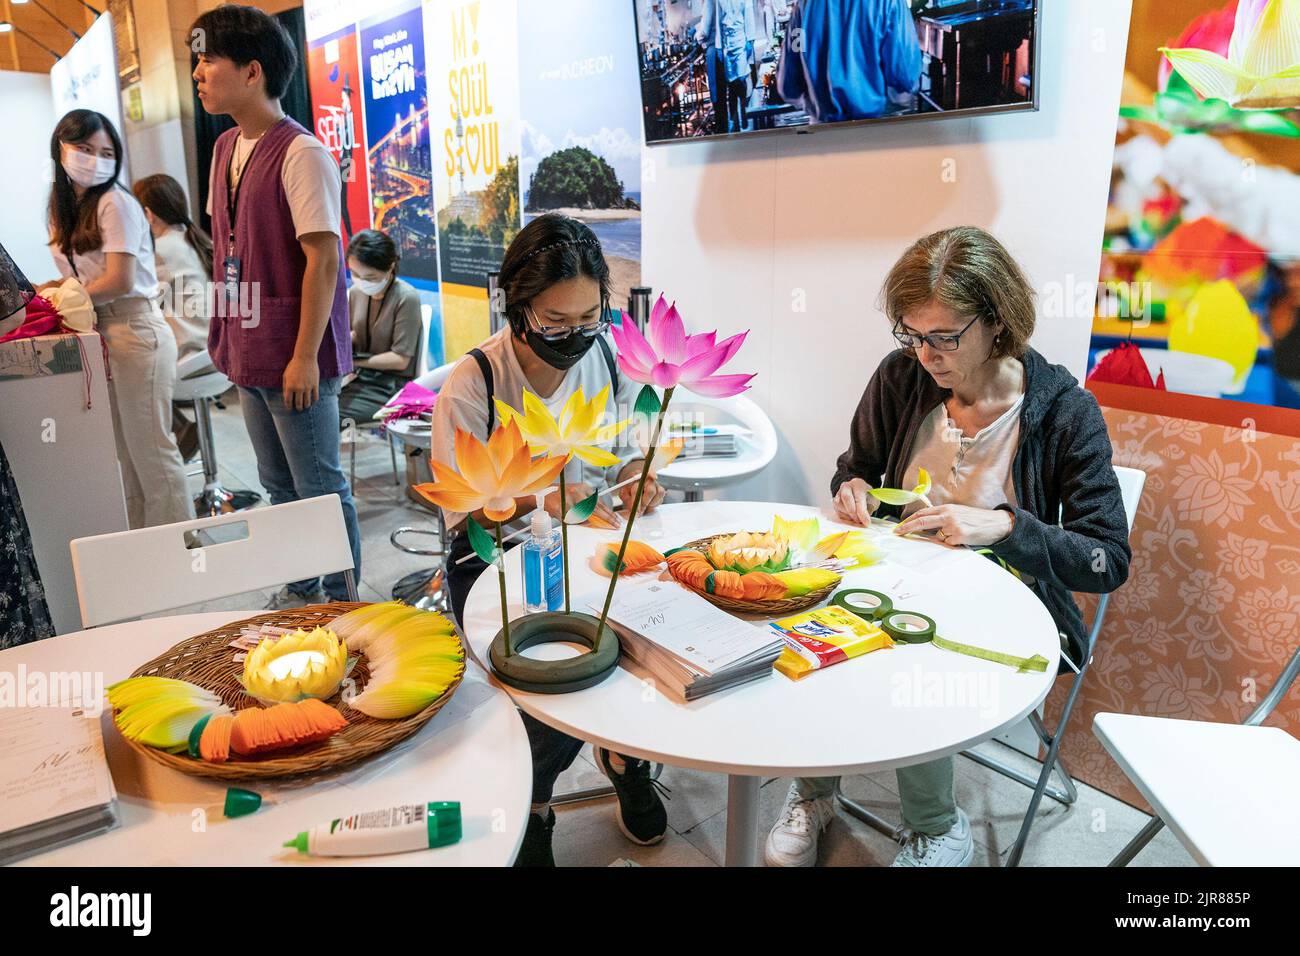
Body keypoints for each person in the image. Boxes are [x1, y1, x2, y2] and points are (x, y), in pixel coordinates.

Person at [764, 226, 1132, 867]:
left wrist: (1008, 528)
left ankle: (935, 823)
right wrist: (851, 487)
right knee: (808, 609)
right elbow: (857, 467)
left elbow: (1108, 560)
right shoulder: (902, 379)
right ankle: (814, 789)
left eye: (943, 337)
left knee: (908, 652)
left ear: (996, 321)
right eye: (912, 334)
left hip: (1011, 606)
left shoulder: (1065, 413)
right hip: (896, 574)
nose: (925, 354)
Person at [431, 214, 669, 867]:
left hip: (589, 541)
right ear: (517, 307)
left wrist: (633, 478)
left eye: (590, 317)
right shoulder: (475, 381)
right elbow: (466, 505)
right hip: (499, 558)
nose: (576, 336)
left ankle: (625, 755)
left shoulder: (606, 361)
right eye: (556, 323)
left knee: (647, 637)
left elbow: (627, 451)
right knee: (550, 675)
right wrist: (547, 499)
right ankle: (533, 805)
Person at [192, 3, 360, 608]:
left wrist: (306, 358)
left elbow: (324, 260)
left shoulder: (302, 153)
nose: (199, 72)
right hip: (250, 347)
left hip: (295, 354)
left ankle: (344, 605)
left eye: (209, 59)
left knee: (318, 488)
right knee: (278, 486)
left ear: (253, 70)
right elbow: (231, 248)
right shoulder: (224, 149)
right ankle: (302, 590)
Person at [42, 109, 194, 529]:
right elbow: (82, 276)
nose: (95, 159)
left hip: (134, 329)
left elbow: (120, 279)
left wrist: (61, 301)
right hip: (99, 333)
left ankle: (178, 544)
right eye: (85, 149)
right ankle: (141, 541)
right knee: (124, 451)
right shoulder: (64, 206)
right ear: (61, 148)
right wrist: (49, 290)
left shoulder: (115, 201)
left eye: (106, 152)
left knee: (151, 449)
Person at [134, 173, 215, 462]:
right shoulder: (197, 239)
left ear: (147, 214)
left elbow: (140, 302)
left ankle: (174, 440)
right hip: (215, 353)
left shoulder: (159, 251)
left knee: (126, 378)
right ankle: (182, 434)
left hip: (189, 356)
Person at [776, 0, 922, 123]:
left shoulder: (803, 6)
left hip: (821, 132)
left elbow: (787, 85)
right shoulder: (887, 2)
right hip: (871, 129)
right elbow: (906, 75)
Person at [339, 229, 423, 428]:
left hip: (392, 387)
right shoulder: (356, 293)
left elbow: (400, 360)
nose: (362, 282)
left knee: (327, 415)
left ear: (390, 268)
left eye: (370, 277)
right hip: (360, 379)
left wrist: (355, 361)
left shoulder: (406, 297)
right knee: (315, 406)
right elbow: (354, 335)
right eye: (355, 274)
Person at [133, 174, 214, 360]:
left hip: (186, 359)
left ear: (148, 215)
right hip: (214, 358)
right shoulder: (203, 241)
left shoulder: (158, 252)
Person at [697, 0, 759, 134]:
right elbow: (720, 24)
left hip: (733, 43)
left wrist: (750, 41)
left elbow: (706, 29)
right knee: (734, 82)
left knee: (734, 83)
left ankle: (738, 116)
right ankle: (738, 117)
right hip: (729, 44)